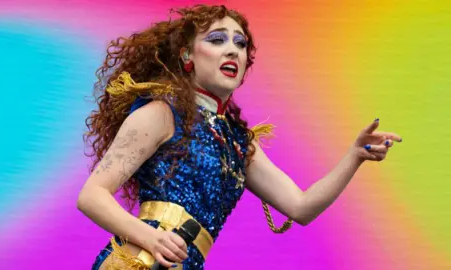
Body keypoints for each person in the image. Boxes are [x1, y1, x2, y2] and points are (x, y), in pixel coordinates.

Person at [77, 4, 402, 270]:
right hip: (139, 262)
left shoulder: (236, 142)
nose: (232, 50)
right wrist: (150, 238)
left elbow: (301, 207)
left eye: (240, 43)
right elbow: (92, 195)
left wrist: (354, 157)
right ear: (188, 56)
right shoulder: (161, 113)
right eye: (217, 40)